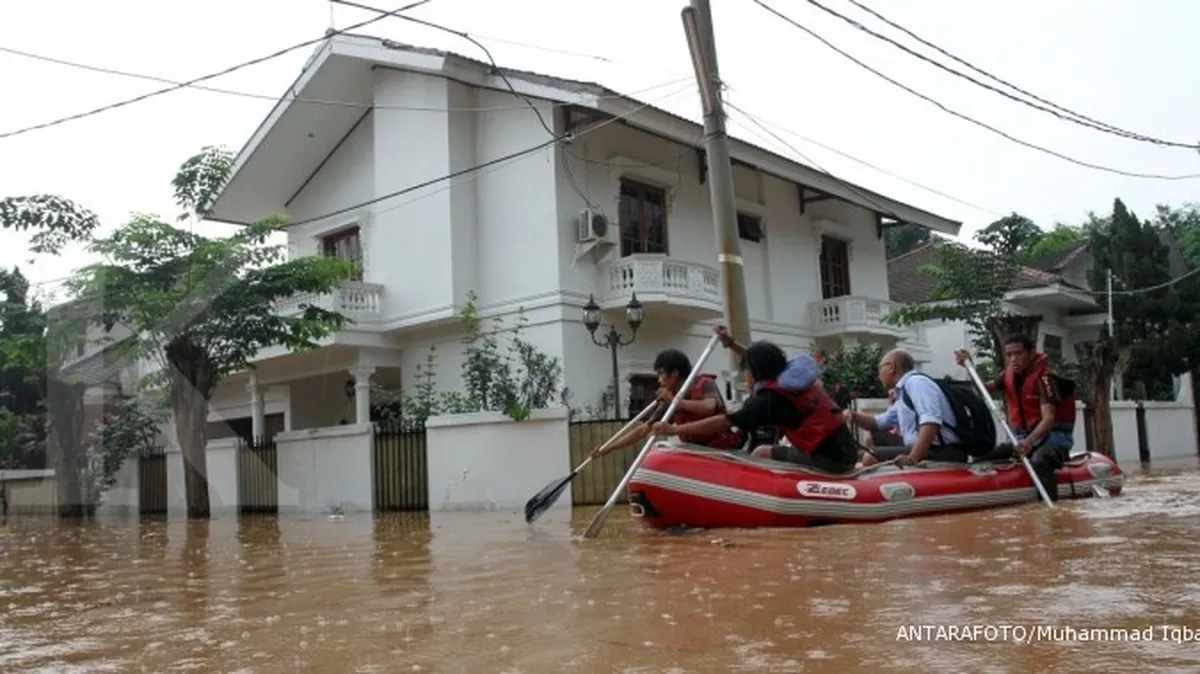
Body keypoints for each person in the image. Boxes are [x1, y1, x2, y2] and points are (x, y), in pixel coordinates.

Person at [649, 326, 858, 474]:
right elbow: (758, 358)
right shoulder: (787, 373)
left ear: (754, 372)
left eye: (746, 370)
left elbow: (723, 421)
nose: (745, 375)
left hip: (830, 461)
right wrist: (730, 343)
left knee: (761, 452)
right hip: (844, 450)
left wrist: (674, 430)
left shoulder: (768, 401)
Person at [955, 334, 1076, 501]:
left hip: (1054, 438)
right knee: (982, 457)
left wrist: (1028, 443)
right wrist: (970, 367)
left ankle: (1050, 514)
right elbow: (982, 389)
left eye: (1018, 354)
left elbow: (1048, 419)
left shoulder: (1046, 378)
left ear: (1031, 353)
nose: (1013, 359)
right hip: (1023, 438)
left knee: (1039, 461)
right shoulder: (1008, 374)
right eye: (1009, 355)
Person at [595, 348, 744, 456]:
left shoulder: (705, 383)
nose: (659, 380)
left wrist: (674, 401)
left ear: (674, 373)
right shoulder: (668, 400)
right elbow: (643, 430)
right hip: (696, 451)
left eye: (661, 374)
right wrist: (609, 448)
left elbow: (708, 408)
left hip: (721, 448)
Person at [844, 349, 969, 466]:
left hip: (942, 450)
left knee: (870, 457)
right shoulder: (903, 391)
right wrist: (853, 416)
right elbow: (878, 423)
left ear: (891, 367)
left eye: (880, 368)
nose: (879, 375)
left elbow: (931, 422)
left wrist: (913, 458)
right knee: (875, 436)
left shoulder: (916, 383)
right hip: (923, 445)